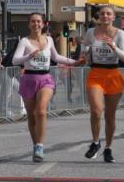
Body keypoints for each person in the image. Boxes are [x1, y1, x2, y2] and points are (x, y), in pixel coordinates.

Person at [13, 13, 77, 161]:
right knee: (31, 116)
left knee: (41, 111)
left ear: (43, 24)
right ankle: (36, 145)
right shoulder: (24, 41)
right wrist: (28, 57)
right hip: (29, 78)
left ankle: (40, 145)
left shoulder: (48, 40)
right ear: (29, 24)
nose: (36, 24)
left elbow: (56, 57)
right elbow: (15, 60)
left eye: (39, 21)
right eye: (33, 22)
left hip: (45, 78)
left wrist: (73, 62)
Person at [78, 4, 124, 162]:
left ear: (114, 17)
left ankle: (108, 148)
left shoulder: (119, 34)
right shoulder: (91, 32)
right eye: (102, 14)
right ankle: (95, 142)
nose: (105, 16)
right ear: (98, 17)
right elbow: (84, 46)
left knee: (110, 116)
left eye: (108, 14)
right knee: (96, 110)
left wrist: (113, 47)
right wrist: (84, 53)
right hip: (96, 74)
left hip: (113, 75)